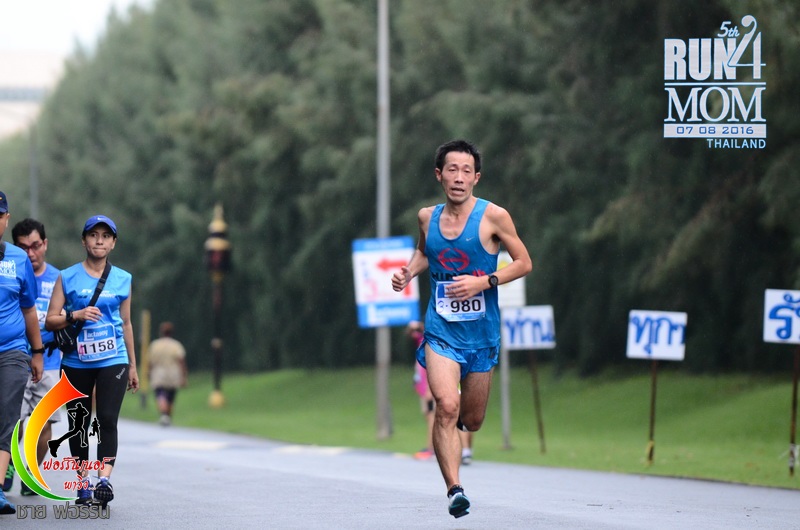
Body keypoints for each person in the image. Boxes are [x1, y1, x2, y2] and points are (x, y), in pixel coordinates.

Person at [391, 140, 532, 518]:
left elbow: (524, 262)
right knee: (446, 406)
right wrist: (408, 272)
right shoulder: (427, 218)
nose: (459, 177)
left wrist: (484, 281)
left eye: (466, 171)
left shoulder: (494, 217)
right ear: (439, 175)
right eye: (451, 170)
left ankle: (458, 437)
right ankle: (455, 490)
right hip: (440, 331)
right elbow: (424, 252)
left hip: (481, 336)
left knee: (472, 420)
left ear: (476, 178)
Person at [45, 215, 139, 507]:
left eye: (105, 236)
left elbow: (126, 323)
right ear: (84, 240)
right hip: (76, 361)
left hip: (114, 358)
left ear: (113, 243)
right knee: (80, 423)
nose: (99, 240)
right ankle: (83, 482)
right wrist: (76, 314)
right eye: (93, 235)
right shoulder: (67, 276)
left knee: (108, 419)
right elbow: (50, 320)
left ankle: (104, 481)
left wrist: (133, 365)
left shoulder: (123, 279)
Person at [10, 218, 64, 497]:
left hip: (50, 362)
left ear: (45, 244)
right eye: (23, 247)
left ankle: (31, 472)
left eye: (35, 246)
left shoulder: (59, 279)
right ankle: (8, 463)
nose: (30, 253)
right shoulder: (11, 271)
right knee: (13, 424)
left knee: (44, 426)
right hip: (16, 359)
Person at [0, 192, 44, 515]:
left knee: (6, 416)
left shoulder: (18, 259)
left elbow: (29, 309)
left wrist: (37, 352)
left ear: (5, 219)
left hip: (13, 351)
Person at [148, 321, 188, 426]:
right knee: (170, 396)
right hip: (173, 373)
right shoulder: (176, 345)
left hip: (158, 373)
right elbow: (181, 361)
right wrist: (184, 376)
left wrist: (148, 373)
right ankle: (167, 416)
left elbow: (150, 361)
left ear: (161, 332)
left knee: (160, 394)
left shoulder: (155, 345)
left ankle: (164, 414)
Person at [407, 321, 434, 460]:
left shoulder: (429, 342)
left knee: (432, 417)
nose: (414, 333)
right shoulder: (420, 342)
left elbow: (432, 367)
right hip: (422, 387)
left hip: (429, 388)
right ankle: (431, 447)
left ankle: (431, 448)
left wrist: (430, 388)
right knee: (428, 416)